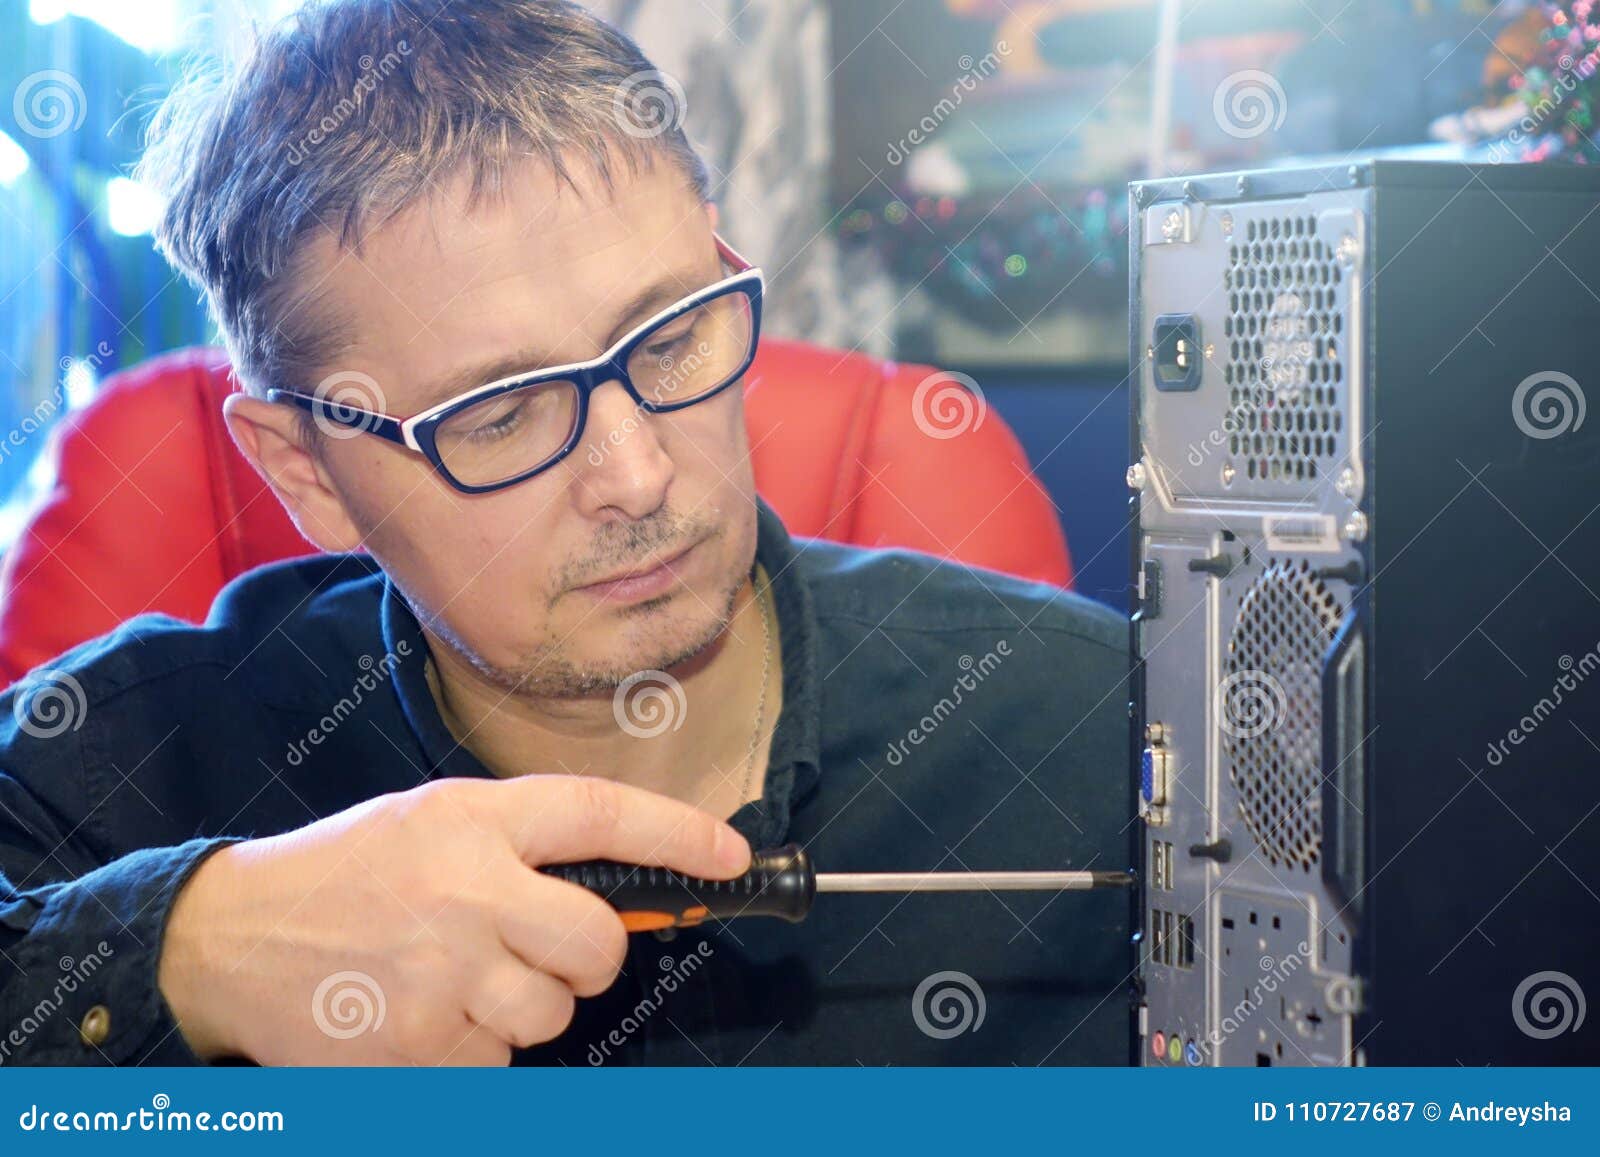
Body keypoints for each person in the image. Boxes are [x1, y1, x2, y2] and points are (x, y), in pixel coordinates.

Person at [0, 0, 1130, 1067]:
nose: (637, 476)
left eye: (671, 338)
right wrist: (185, 949)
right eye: (498, 415)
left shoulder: (1095, 731)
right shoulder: (121, 767)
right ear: (309, 471)